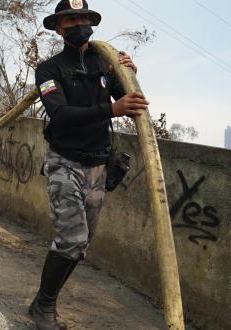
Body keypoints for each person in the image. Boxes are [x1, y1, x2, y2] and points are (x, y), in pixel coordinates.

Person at [30, 1, 147, 329]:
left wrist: (129, 74)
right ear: (58, 27)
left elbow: (130, 100)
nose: (79, 23)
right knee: (71, 238)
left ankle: (42, 303)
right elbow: (61, 116)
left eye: (83, 18)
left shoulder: (104, 63)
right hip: (64, 163)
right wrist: (112, 110)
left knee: (80, 245)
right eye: (71, 19)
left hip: (97, 168)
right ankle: (44, 306)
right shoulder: (48, 70)